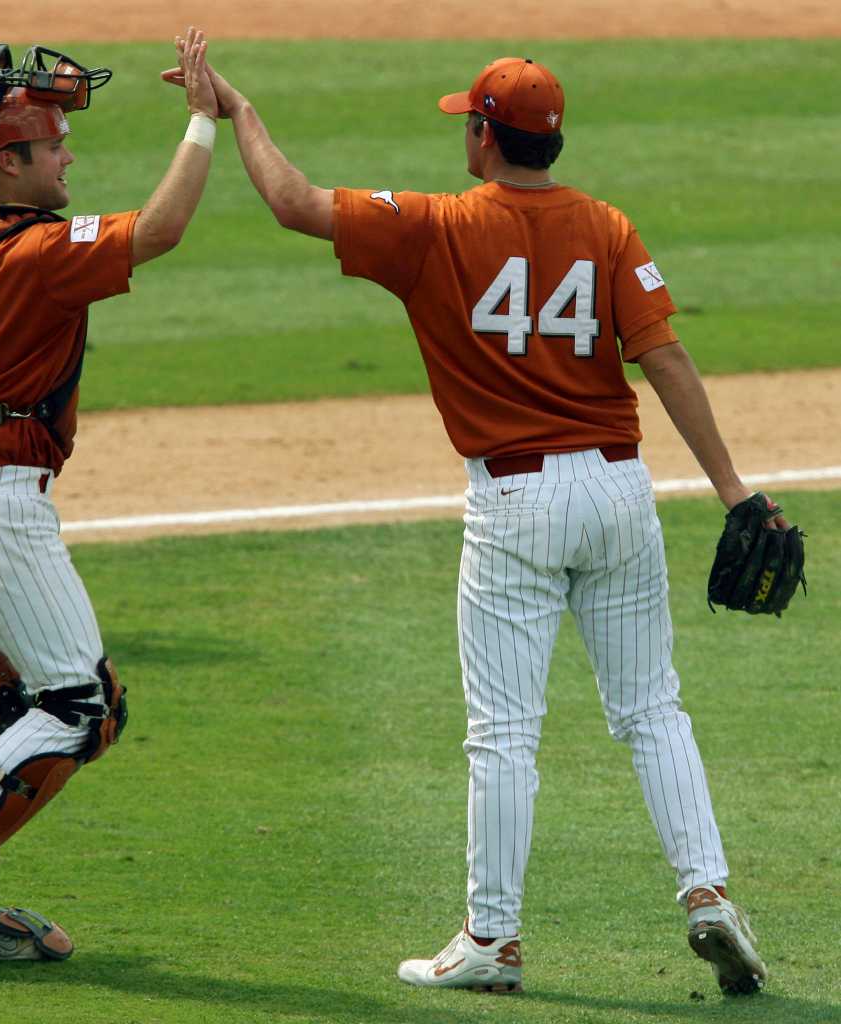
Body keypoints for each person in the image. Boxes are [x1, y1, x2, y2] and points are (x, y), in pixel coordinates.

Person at [177, 51, 778, 995]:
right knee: (651, 710)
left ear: (486, 136)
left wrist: (238, 108)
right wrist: (734, 490)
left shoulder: (433, 226)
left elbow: (293, 202)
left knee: (504, 731)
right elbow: (662, 358)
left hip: (515, 501)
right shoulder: (606, 226)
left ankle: (492, 939)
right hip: (621, 492)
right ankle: (707, 894)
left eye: (470, 119)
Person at [0, 28, 220, 963]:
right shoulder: (36, 252)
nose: (68, 156)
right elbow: (160, 230)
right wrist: (201, 122)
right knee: (80, 707)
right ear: (9, 162)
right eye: (51, 145)